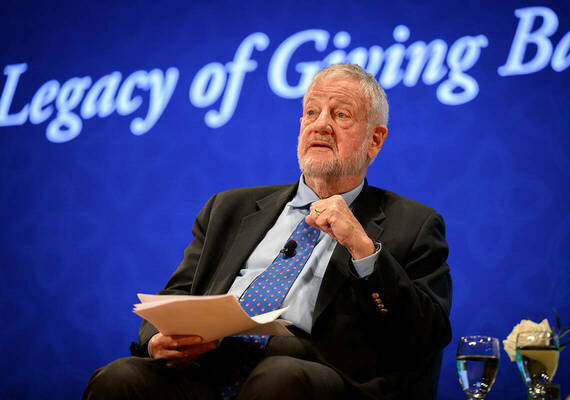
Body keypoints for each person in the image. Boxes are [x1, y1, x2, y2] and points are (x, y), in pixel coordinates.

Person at [83, 64, 452, 400]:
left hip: (314, 376)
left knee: (280, 376)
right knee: (120, 379)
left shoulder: (414, 225)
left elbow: (428, 336)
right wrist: (155, 341)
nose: (320, 124)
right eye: (311, 112)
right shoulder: (228, 208)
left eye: (340, 115)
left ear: (375, 140)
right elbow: (177, 294)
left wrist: (363, 249)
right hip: (207, 369)